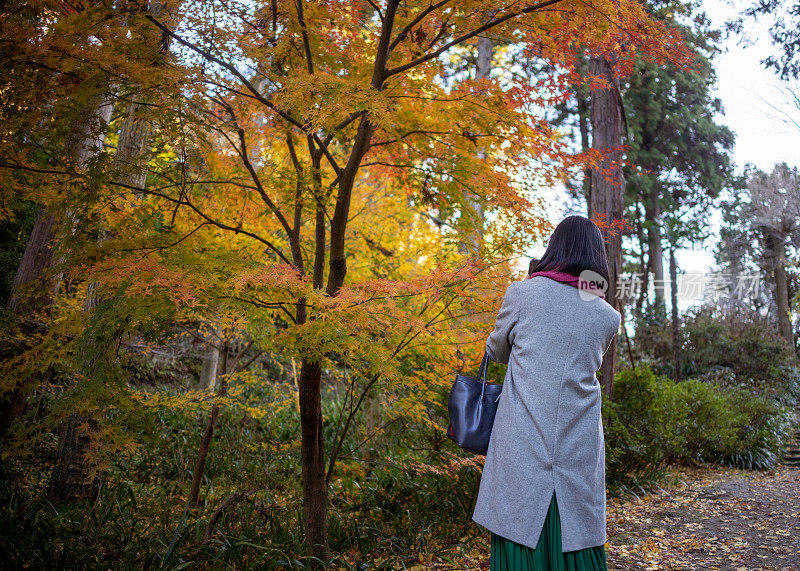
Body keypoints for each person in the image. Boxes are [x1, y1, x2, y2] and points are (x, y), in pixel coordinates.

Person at [471, 215, 621, 570]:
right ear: (594, 258)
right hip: (578, 443)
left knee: (518, 527)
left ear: (555, 248)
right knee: (576, 532)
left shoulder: (523, 294)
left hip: (523, 440)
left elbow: (498, 351)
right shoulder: (606, 315)